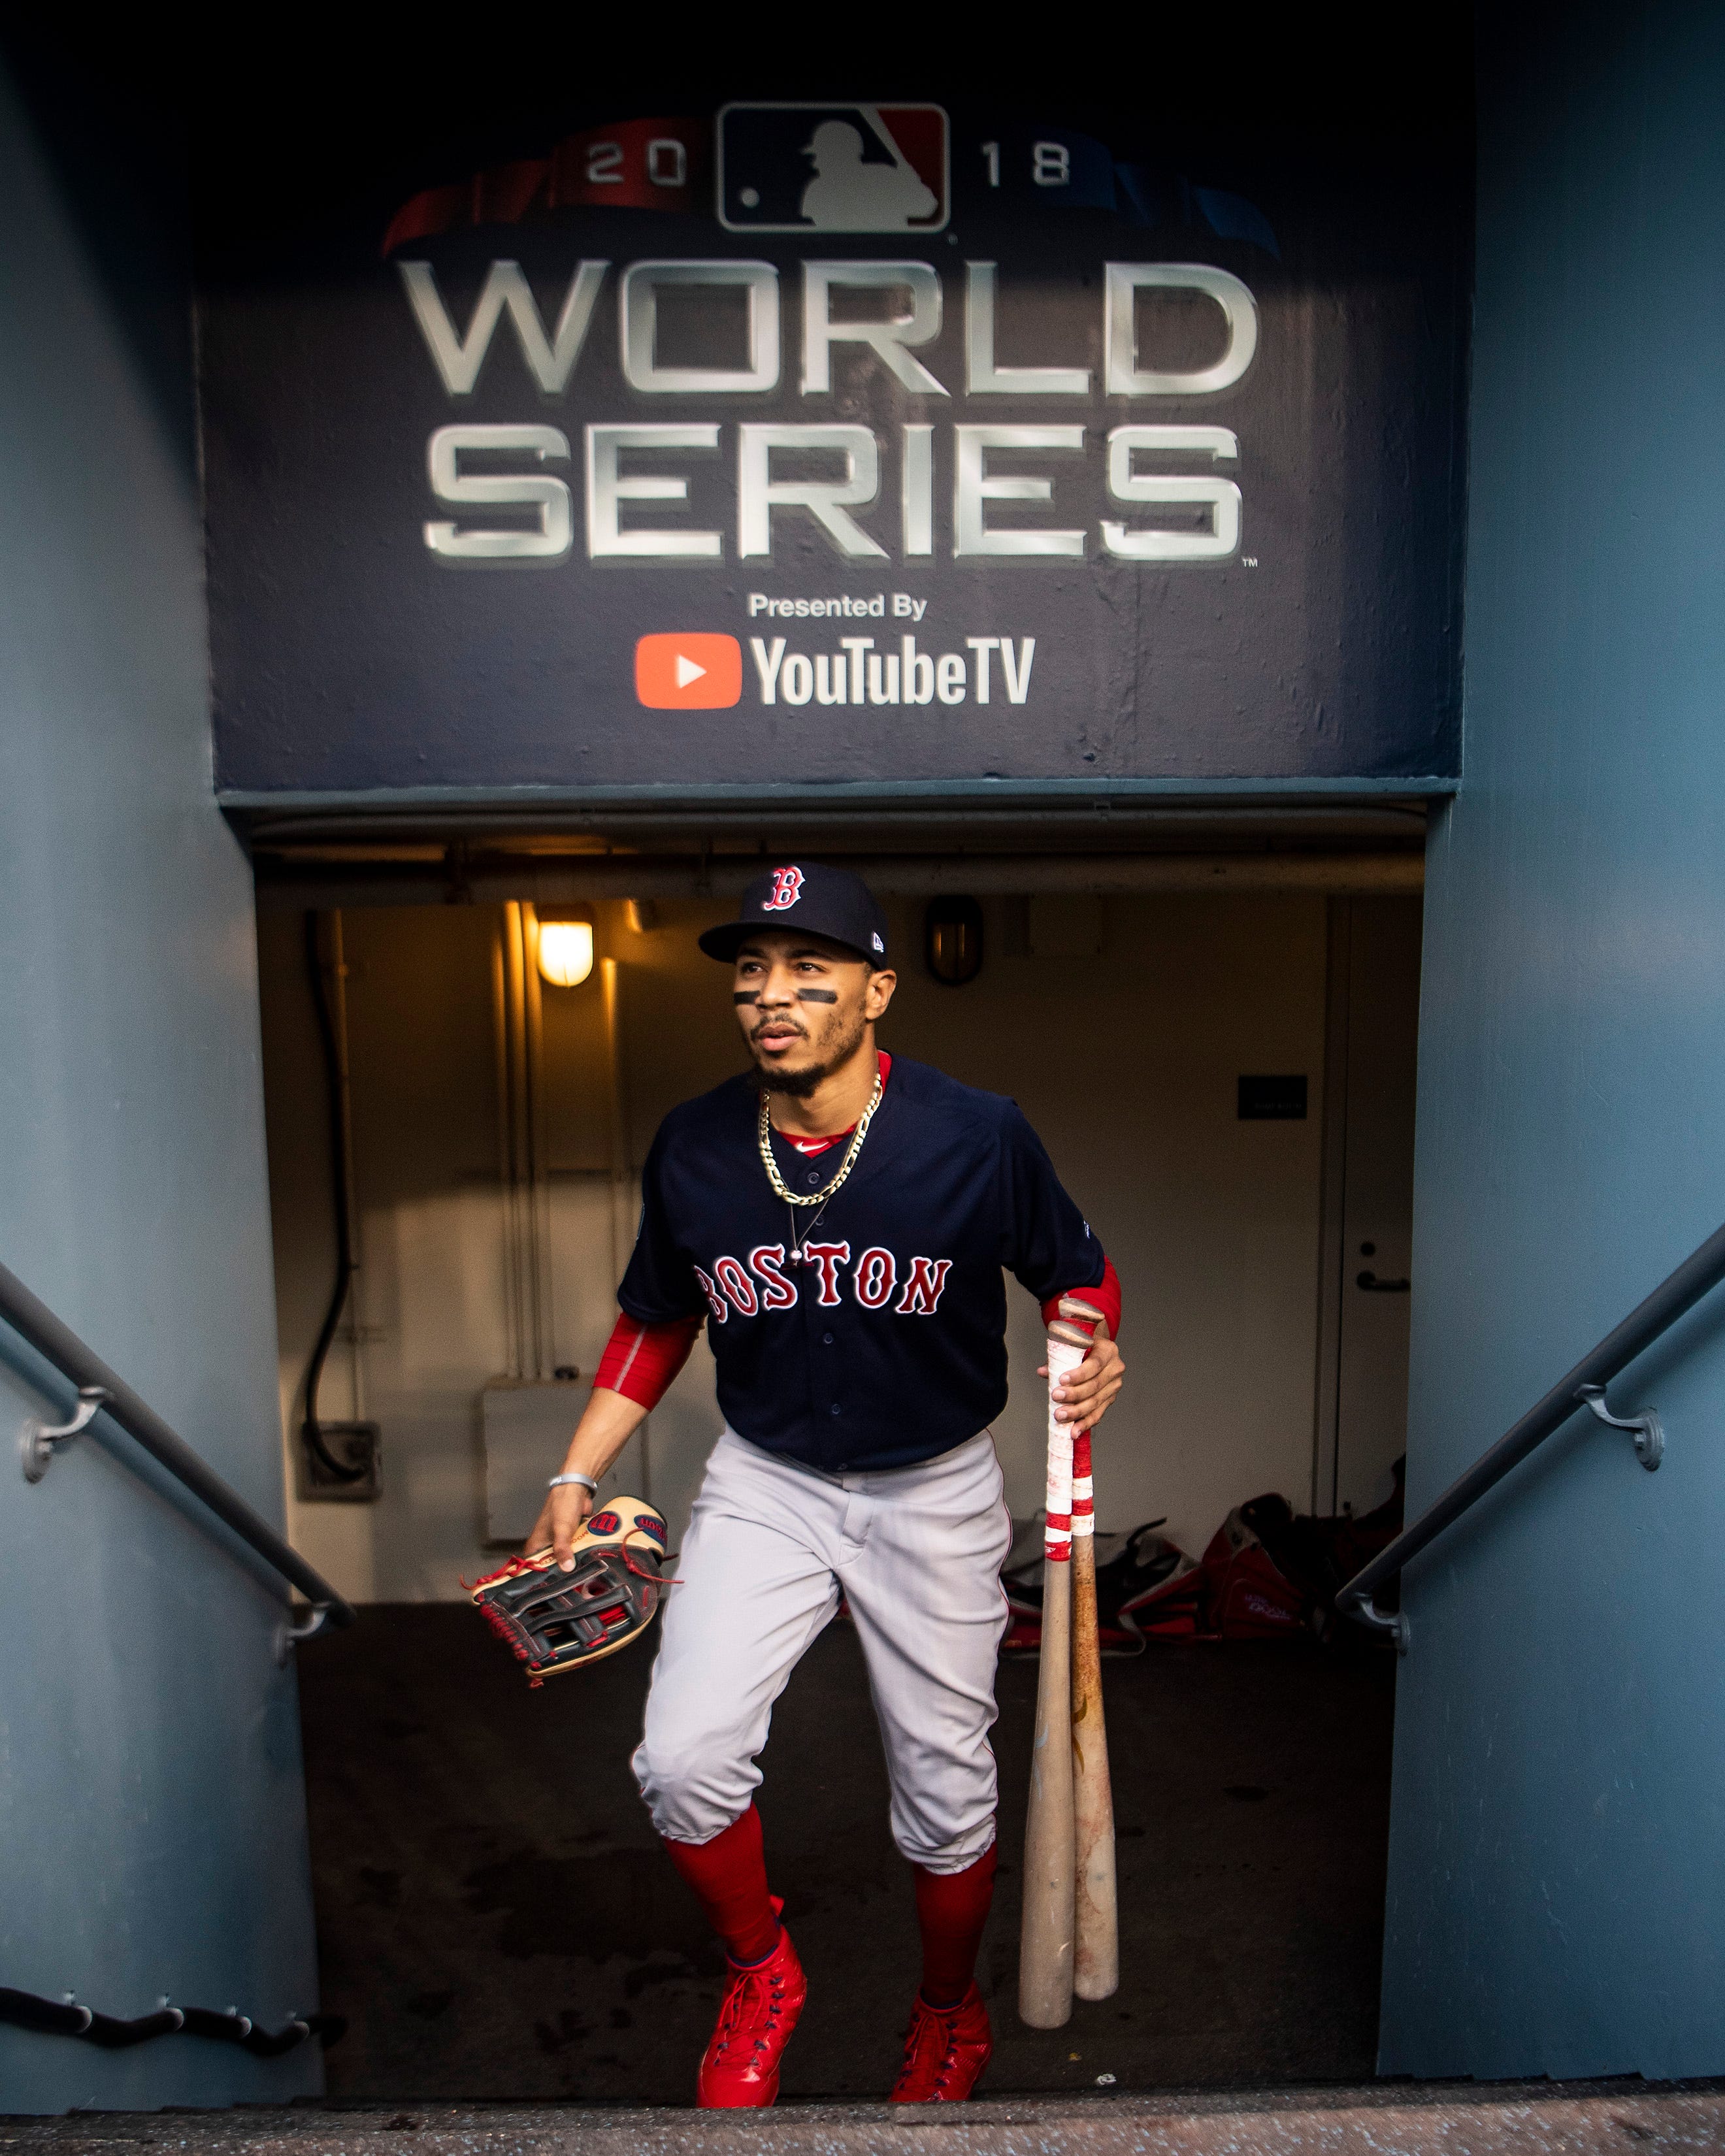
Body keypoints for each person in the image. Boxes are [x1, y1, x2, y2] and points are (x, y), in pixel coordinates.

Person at [527, 863, 1125, 2108]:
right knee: (680, 1759)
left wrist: (1093, 1339)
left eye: (810, 969)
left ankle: (948, 2012)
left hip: (934, 1489)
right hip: (769, 1482)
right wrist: (578, 1469)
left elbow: (1077, 1269)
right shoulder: (696, 1144)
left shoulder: (976, 1134)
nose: (772, 995)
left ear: (877, 992)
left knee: (948, 1794)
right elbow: (656, 1318)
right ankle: (762, 1974)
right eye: (753, 971)